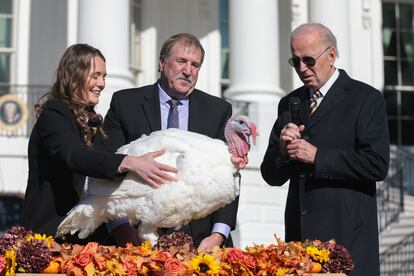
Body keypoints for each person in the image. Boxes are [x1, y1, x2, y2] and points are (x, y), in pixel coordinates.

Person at [260, 23, 389, 276]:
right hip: (300, 245)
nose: (301, 69)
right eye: (294, 61)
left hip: (347, 239)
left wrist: (318, 156)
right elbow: (270, 175)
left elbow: (376, 163)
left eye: (308, 60)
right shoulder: (289, 103)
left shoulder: (366, 98)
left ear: (331, 55)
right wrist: (284, 152)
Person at [95, 33, 239, 251]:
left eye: (195, 65)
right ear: (161, 63)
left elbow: (230, 176)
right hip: (136, 236)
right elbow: (106, 164)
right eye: (181, 61)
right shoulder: (126, 104)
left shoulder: (217, 110)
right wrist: (120, 227)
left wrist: (218, 234)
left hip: (200, 241)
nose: (188, 71)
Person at [21, 44, 176, 245]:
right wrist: (129, 162)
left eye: (103, 77)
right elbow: (74, 155)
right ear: (74, 75)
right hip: (49, 235)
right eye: (95, 76)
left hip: (87, 238)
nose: (101, 83)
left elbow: (103, 162)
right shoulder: (55, 113)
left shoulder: (90, 120)